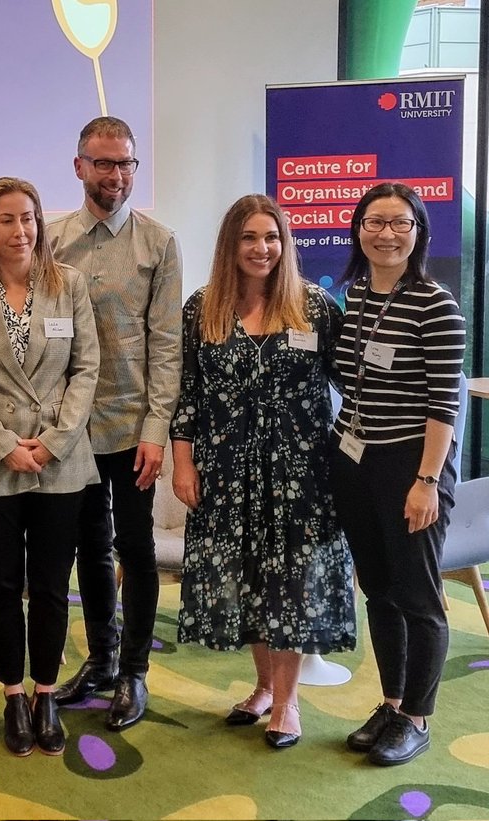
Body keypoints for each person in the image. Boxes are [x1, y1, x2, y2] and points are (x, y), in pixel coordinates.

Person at [169, 194, 356, 748]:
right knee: (248, 580)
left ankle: (289, 701)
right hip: (226, 471)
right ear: (232, 244)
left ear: (285, 244)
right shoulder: (203, 309)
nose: (262, 248)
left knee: (292, 585)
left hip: (301, 473)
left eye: (271, 237)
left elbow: (354, 384)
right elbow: (189, 396)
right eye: (250, 237)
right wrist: (183, 463)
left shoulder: (316, 307)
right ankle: (264, 687)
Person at [0, 177, 100, 757]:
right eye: (8, 220)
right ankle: (12, 694)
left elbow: (85, 369)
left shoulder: (69, 285)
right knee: (2, 585)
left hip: (60, 465)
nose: (22, 231)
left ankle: (45, 694)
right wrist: (4, 444)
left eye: (30, 218)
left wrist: (54, 442)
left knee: (49, 586)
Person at [48, 116, 182, 730]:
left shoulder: (158, 242)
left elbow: (167, 345)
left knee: (136, 548)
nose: (116, 174)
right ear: (78, 166)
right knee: (89, 550)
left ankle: (133, 672)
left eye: (126, 163)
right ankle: (100, 659)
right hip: (71, 430)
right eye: (104, 163)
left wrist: (158, 431)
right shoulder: (49, 242)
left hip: (132, 428)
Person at [331, 182, 465, 766]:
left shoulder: (436, 303)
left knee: (418, 595)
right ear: (359, 229)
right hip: (355, 462)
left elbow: (445, 405)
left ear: (417, 233)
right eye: (374, 222)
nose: (386, 234)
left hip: (412, 468)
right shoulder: (355, 295)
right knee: (379, 589)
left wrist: (427, 481)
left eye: (399, 224)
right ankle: (391, 702)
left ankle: (417, 717)